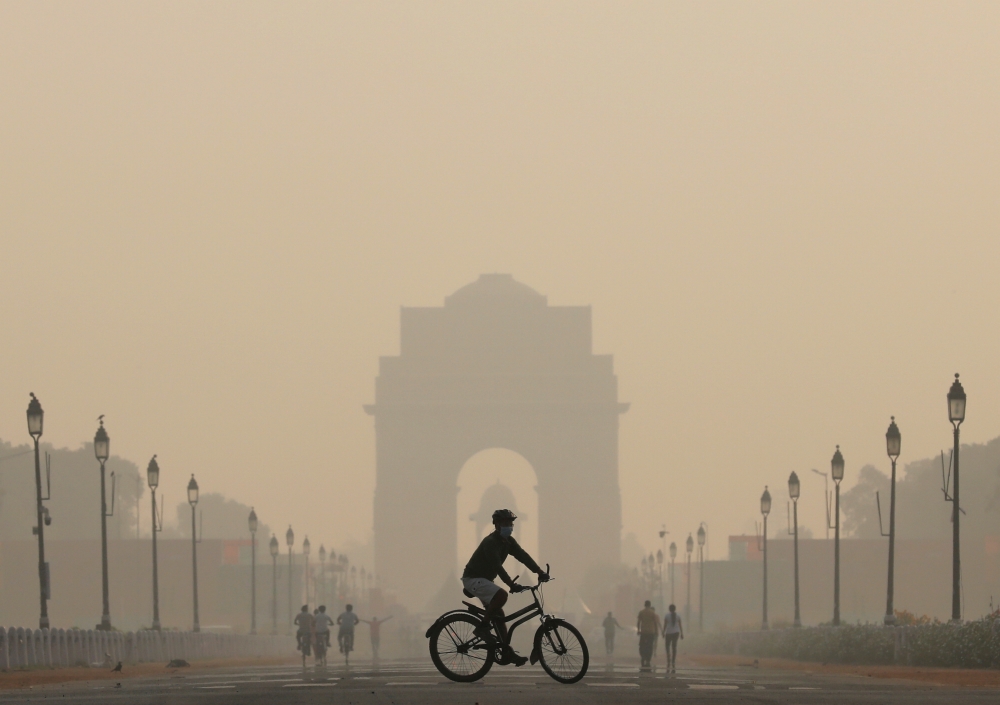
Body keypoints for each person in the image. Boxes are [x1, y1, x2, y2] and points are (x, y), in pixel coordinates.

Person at [461, 508, 549, 667]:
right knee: (502, 595)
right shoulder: (490, 543)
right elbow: (497, 567)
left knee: (500, 617)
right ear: (496, 525)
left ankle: (506, 652)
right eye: (505, 523)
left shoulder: (509, 542)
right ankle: (482, 628)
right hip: (473, 579)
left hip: (484, 581)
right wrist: (511, 585)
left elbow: (523, 556)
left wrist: (539, 571)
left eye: (511, 523)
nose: (509, 526)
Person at [636, 600, 660, 670]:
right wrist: (656, 631)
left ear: (644, 605)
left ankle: (643, 656)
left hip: (643, 632)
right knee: (650, 646)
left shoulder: (641, 612)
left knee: (641, 645)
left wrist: (638, 630)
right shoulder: (653, 613)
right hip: (651, 632)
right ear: (650, 605)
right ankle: (648, 659)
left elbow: (638, 622)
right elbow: (655, 623)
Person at [663, 603, 684, 673]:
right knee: (674, 647)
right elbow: (680, 625)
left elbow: (665, 625)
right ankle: (673, 661)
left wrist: (663, 632)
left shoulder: (667, 615)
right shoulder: (678, 616)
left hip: (669, 632)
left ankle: (668, 658)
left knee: (667, 646)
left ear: (669, 609)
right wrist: (682, 633)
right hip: (676, 632)